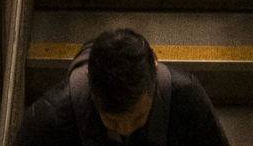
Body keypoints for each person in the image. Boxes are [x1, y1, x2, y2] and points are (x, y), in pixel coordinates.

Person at [12, 28, 230, 145]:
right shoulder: (50, 120)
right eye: (111, 121)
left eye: (138, 118)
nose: (126, 129)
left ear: (153, 83)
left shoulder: (186, 100)